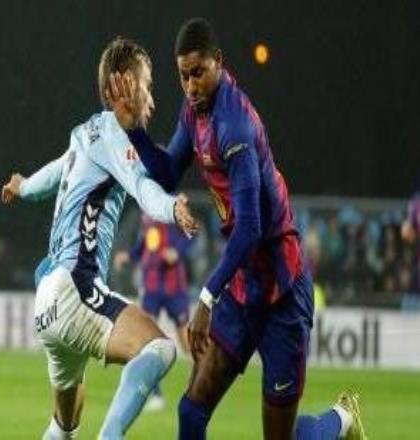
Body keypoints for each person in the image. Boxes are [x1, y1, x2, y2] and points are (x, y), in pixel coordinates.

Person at [108, 18, 366, 440]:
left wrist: (205, 298)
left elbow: (250, 227)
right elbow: (168, 172)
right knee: (191, 411)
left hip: (282, 293)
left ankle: (340, 419)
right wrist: (134, 130)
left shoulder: (235, 127)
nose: (190, 85)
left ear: (219, 62)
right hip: (244, 286)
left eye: (198, 73)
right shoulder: (194, 112)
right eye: (183, 75)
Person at [1, 37, 198, 440]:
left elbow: (51, 176)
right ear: (123, 85)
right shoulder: (113, 135)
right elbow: (142, 187)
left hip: (47, 302)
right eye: (147, 86)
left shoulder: (85, 133)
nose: (152, 101)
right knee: (160, 349)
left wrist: (22, 186)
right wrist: (172, 208)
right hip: (76, 289)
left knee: (64, 424)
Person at [115, 214, 193, 410]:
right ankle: (156, 395)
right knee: (147, 340)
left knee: (186, 341)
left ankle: (198, 387)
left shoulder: (172, 208)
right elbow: (146, 243)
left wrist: (178, 251)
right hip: (152, 287)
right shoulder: (147, 214)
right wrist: (130, 256)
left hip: (174, 287)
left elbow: (192, 232)